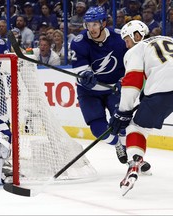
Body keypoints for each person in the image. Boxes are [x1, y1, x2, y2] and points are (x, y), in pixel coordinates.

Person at [109, 20, 171, 196]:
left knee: (137, 128)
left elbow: (133, 82)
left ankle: (134, 163)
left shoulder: (137, 49)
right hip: (162, 88)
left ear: (137, 35)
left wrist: (123, 111)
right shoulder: (168, 39)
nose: (127, 45)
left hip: (164, 91)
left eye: (127, 40)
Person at [70, 6, 129, 164]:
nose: (91, 28)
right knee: (98, 130)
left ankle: (133, 156)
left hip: (113, 89)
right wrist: (84, 76)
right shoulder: (79, 42)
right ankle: (117, 144)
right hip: (88, 92)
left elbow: (130, 63)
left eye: (95, 24)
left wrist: (124, 80)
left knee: (122, 124)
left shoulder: (119, 38)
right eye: (88, 25)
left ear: (103, 23)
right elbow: (79, 71)